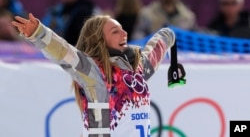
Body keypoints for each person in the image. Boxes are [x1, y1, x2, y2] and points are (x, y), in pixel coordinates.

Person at [12, 13, 175, 137]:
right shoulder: (95, 72)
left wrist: (168, 35)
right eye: (115, 31)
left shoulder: (136, 68)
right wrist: (38, 33)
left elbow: (155, 49)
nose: (124, 33)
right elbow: (64, 52)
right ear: (100, 40)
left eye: (122, 29)